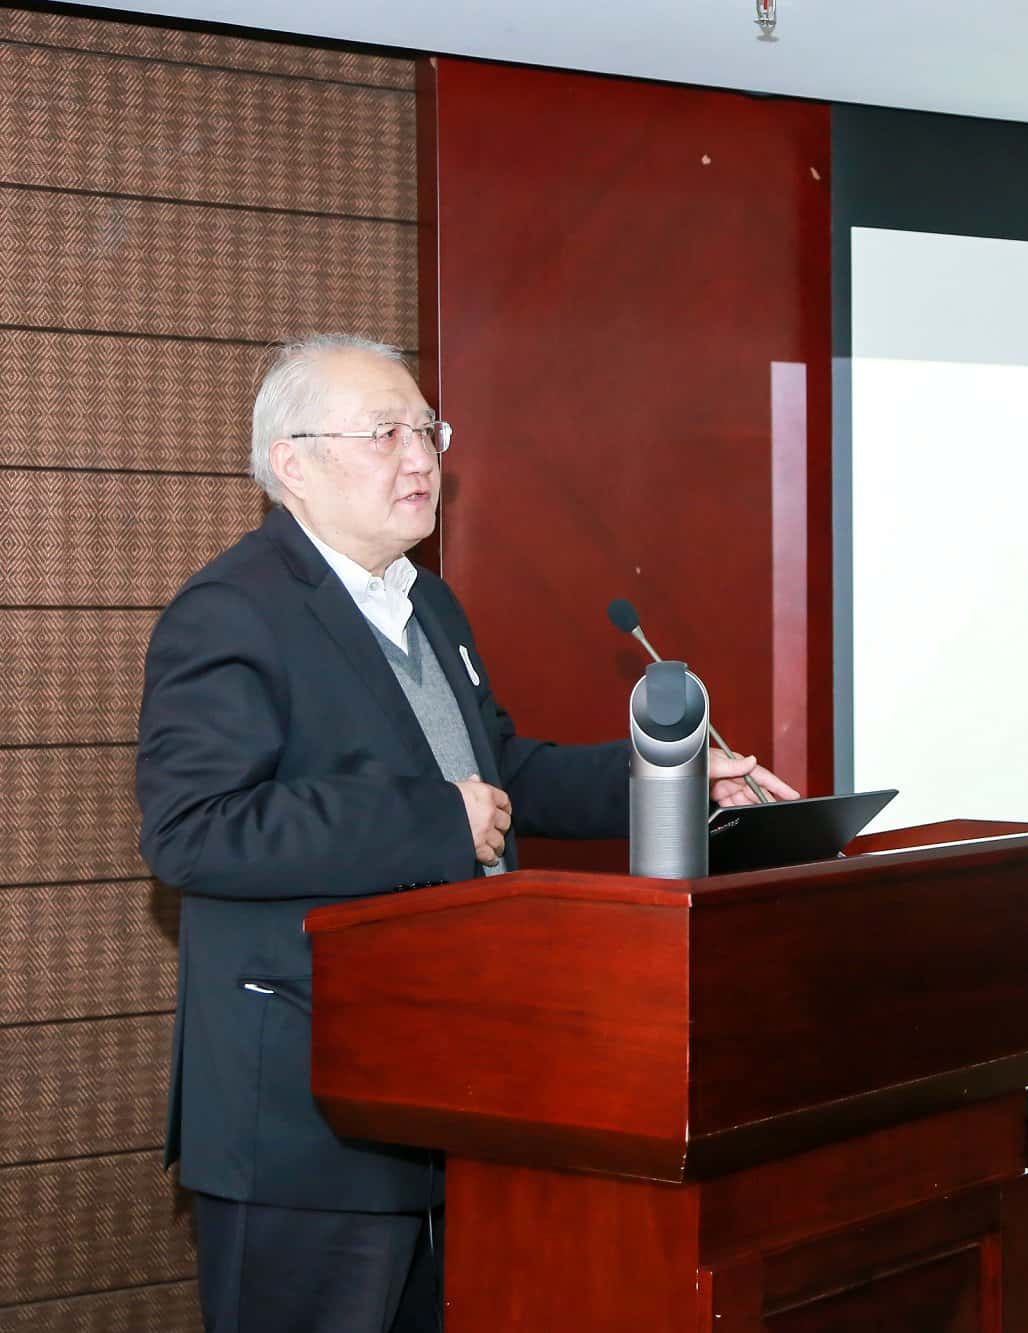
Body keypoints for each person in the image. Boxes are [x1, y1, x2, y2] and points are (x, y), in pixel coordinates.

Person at [135, 334, 797, 1332]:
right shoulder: (233, 611)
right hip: (306, 1117)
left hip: (450, 1086)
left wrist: (669, 780)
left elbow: (501, 775)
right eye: (384, 434)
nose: (420, 458)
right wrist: (434, 818)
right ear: (292, 463)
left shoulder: (426, 602)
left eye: (427, 431)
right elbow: (193, 830)